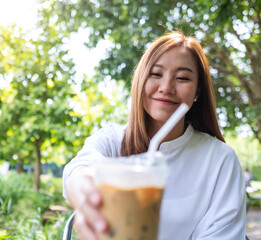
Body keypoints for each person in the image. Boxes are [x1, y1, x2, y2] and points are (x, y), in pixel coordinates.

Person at [62, 30, 246, 240]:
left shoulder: (220, 160)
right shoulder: (112, 140)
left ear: (197, 91)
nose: (166, 87)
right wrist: (85, 190)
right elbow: (77, 169)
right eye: (156, 74)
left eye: (182, 78)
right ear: (141, 80)